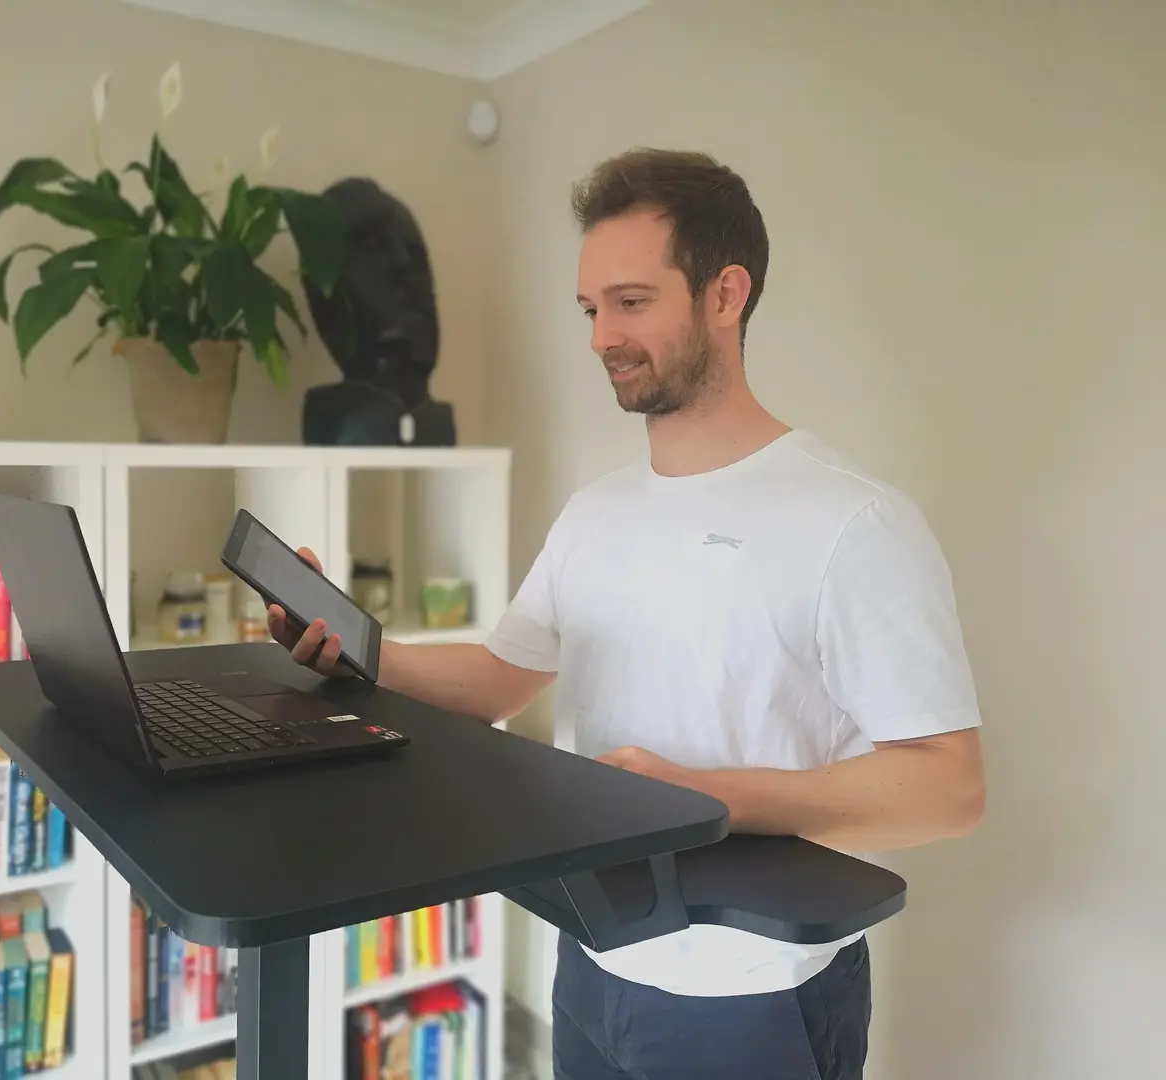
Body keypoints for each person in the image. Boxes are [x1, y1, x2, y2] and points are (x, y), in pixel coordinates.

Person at [265, 148, 986, 1080]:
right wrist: (359, 656)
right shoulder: (597, 509)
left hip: (750, 995)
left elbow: (949, 790)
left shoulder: (856, 520)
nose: (603, 333)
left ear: (726, 295)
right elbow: (496, 681)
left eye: (632, 302)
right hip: (594, 959)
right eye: (591, 308)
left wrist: (708, 801)